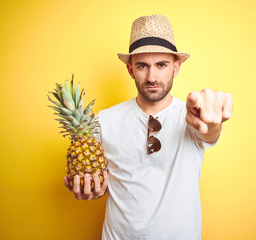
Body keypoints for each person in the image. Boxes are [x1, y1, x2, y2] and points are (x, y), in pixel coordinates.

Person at [64, 14, 233, 239]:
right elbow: (93, 176)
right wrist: (89, 187)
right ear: (130, 70)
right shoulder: (103, 121)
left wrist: (211, 123)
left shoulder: (191, 115)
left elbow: (208, 133)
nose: (152, 77)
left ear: (176, 67)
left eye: (161, 65)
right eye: (142, 66)